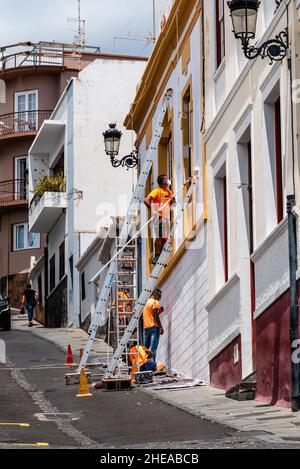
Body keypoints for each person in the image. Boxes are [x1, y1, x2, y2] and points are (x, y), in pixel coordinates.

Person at [144, 175, 176, 264]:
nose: (168, 180)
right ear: (163, 181)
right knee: (159, 236)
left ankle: (161, 256)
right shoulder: (157, 191)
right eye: (166, 179)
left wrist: (173, 200)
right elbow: (146, 200)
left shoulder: (168, 191)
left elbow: (174, 204)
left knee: (164, 238)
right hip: (158, 217)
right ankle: (157, 256)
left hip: (165, 217)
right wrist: (154, 209)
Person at [142, 288, 164, 362]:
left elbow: (149, 315)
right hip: (154, 328)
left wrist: (159, 312)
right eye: (159, 296)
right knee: (153, 348)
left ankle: (144, 365)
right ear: (155, 294)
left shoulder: (145, 302)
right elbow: (155, 316)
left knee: (145, 349)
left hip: (146, 328)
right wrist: (161, 327)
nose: (160, 298)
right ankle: (152, 365)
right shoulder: (155, 302)